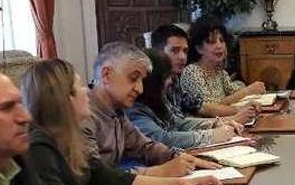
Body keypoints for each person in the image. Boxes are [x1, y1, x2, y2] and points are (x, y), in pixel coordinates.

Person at [22, 59, 224, 185]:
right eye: (79, 86)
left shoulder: (69, 139)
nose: (86, 91)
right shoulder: (39, 148)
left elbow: (109, 180)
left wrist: (180, 183)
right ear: (63, 99)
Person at [84, 41, 218, 176]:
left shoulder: (116, 111)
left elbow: (145, 147)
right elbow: (97, 178)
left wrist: (178, 158)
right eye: (133, 78)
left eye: (141, 81)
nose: (140, 89)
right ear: (107, 75)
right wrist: (158, 171)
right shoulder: (82, 114)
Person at [126, 50, 238, 149]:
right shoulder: (133, 110)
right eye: (166, 77)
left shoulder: (157, 98)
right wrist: (211, 135)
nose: (170, 81)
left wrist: (215, 124)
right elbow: (163, 139)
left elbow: (177, 122)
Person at [150, 24, 255, 125]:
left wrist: (241, 110)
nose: (182, 57)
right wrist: (231, 119)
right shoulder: (153, 85)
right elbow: (173, 129)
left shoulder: (174, 80)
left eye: (185, 51)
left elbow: (202, 107)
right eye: (175, 51)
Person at [180, 18, 265, 109]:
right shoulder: (192, 72)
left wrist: (253, 88)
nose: (219, 46)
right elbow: (210, 108)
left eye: (222, 40)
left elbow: (234, 91)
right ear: (199, 48)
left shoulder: (219, 71)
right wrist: (247, 91)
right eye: (212, 42)